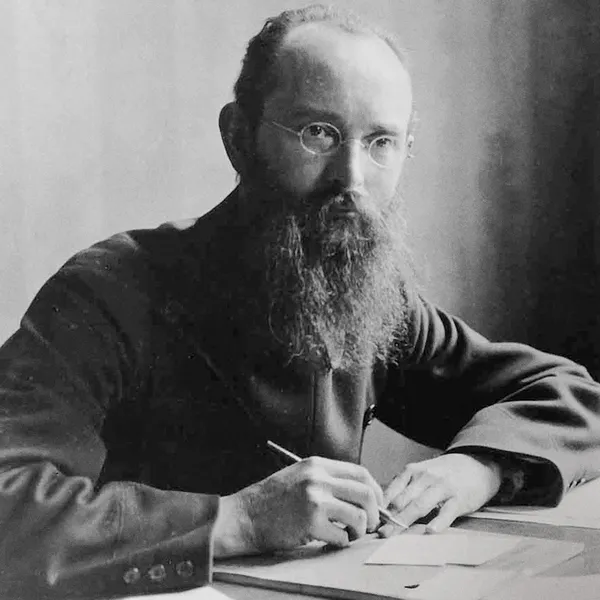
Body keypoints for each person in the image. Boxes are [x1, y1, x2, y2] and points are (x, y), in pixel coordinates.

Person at [1, 3, 599, 598]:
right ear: (239, 137)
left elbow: (568, 393)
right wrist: (236, 519)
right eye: (320, 134)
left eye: (382, 141)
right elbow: (7, 498)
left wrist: (481, 467)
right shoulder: (108, 291)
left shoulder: (370, 298)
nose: (353, 179)